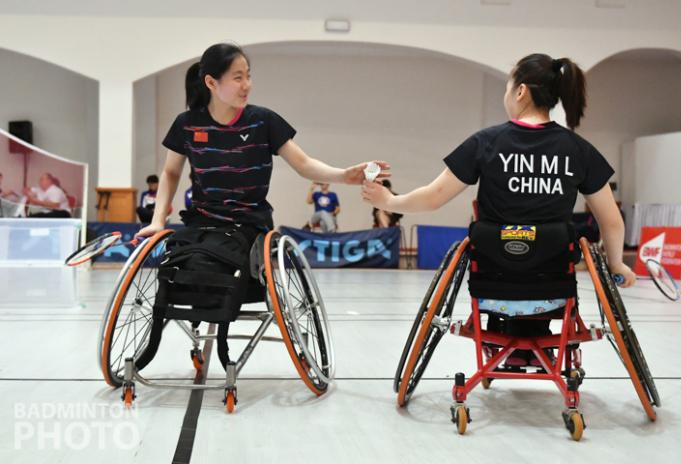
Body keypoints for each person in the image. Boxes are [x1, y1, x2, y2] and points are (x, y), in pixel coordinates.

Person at [362, 53, 635, 367]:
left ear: (520, 92)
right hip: (553, 287)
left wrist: (389, 202)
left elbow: (434, 197)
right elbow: (611, 222)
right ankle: (537, 342)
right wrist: (617, 265)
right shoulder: (578, 150)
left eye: (507, 88)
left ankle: (506, 342)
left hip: (491, 283)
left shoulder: (486, 142)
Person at [136, 42, 387, 253]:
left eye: (248, 75)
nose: (247, 85)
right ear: (211, 83)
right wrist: (158, 221)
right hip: (202, 223)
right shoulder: (187, 124)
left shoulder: (263, 121)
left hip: (250, 224)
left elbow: (303, 164)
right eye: (238, 78)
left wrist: (343, 175)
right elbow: (170, 173)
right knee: (181, 263)